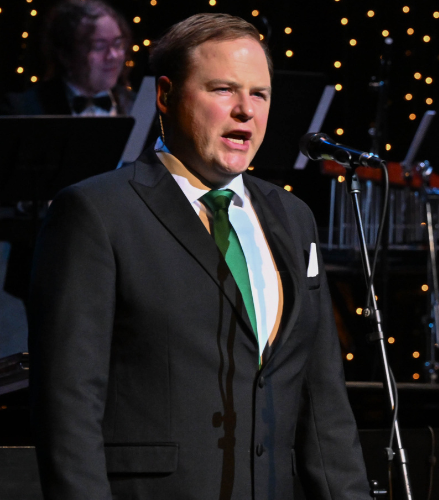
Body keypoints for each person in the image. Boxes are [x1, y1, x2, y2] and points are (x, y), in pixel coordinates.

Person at [28, 14, 369, 498]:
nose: (245, 111)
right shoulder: (96, 213)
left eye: (260, 94)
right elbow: (68, 405)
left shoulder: (293, 218)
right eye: (224, 90)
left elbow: (324, 403)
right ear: (165, 96)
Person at [3, 0, 134, 116]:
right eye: (99, 47)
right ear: (66, 55)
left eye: (118, 44)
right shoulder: (24, 109)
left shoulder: (138, 107)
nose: (113, 56)